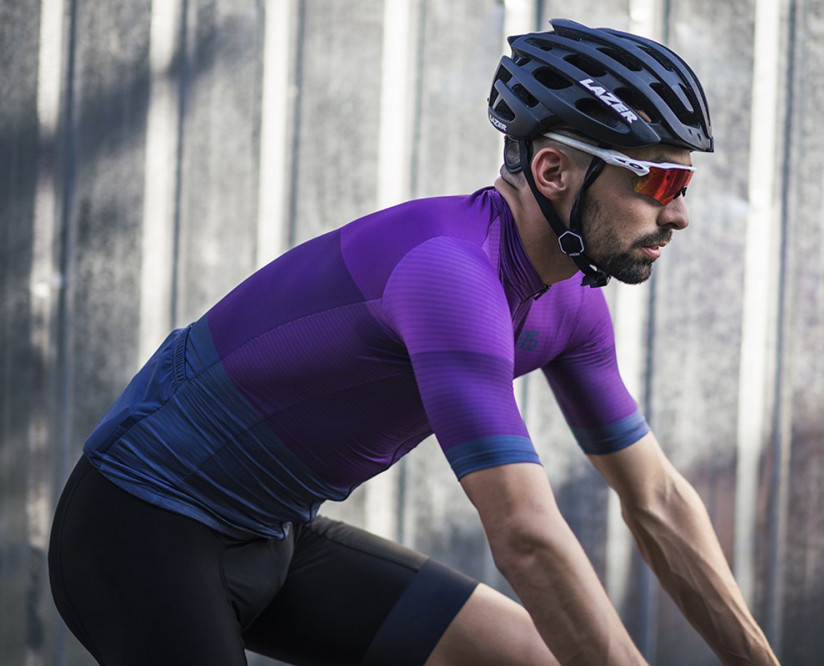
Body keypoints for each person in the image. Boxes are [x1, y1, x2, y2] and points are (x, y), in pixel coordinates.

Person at [48, 18, 779, 666]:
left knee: (532, 655)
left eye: (685, 186)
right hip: (140, 532)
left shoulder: (572, 304)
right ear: (554, 170)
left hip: (273, 535)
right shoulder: (449, 274)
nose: (679, 215)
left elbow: (657, 501)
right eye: (659, 182)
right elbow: (525, 534)